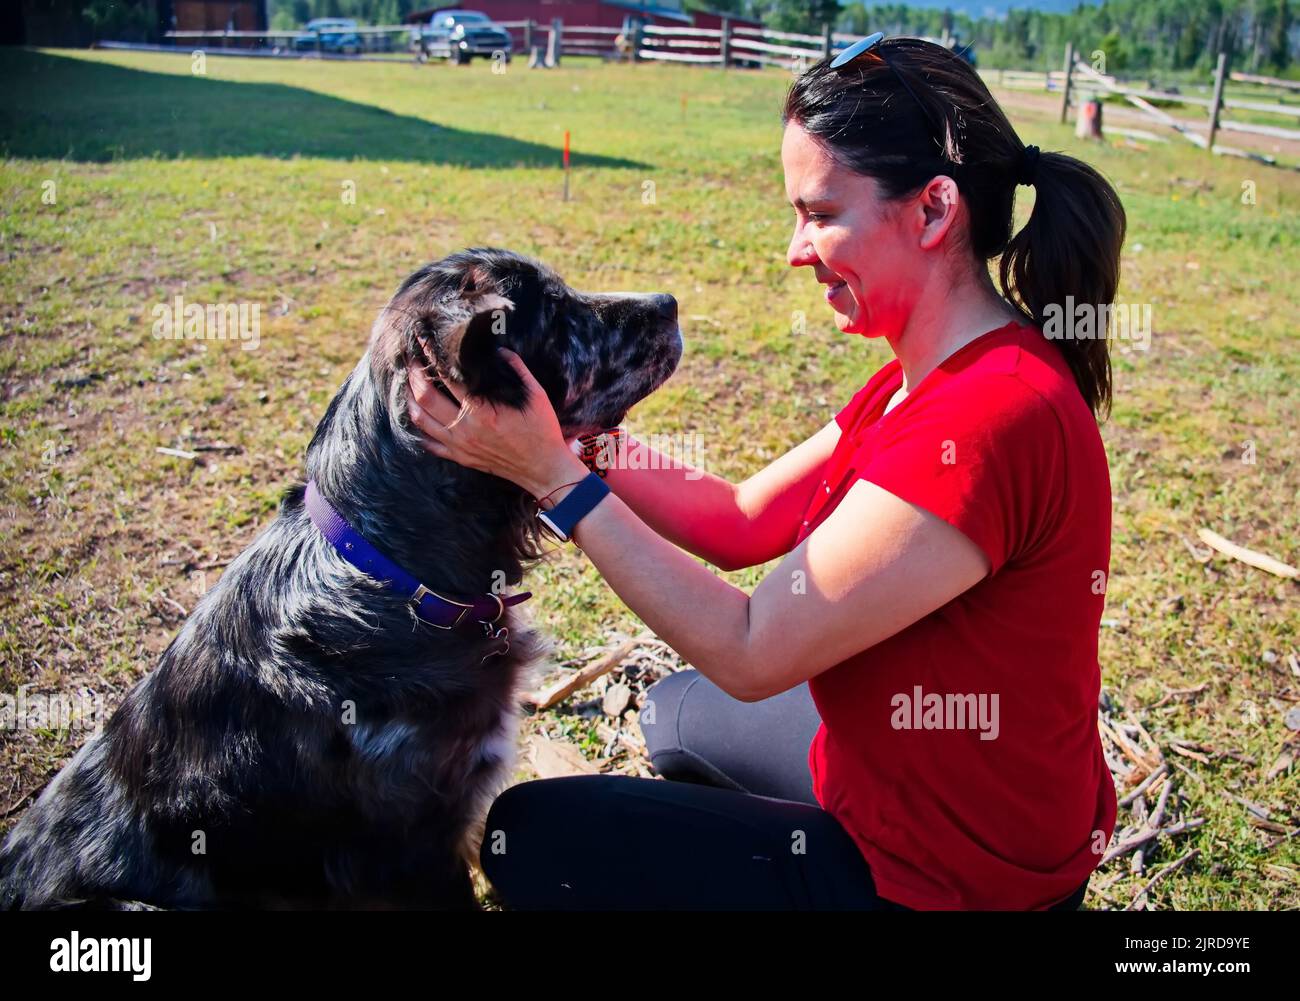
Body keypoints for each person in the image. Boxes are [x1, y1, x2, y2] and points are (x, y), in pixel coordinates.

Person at [404, 34, 1126, 910]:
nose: (795, 248)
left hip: (945, 882)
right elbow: (741, 516)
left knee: (530, 836)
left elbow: (750, 651)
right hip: (929, 778)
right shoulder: (931, 372)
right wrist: (572, 440)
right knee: (676, 714)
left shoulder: (989, 418)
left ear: (934, 211)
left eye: (819, 212)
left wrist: (558, 480)